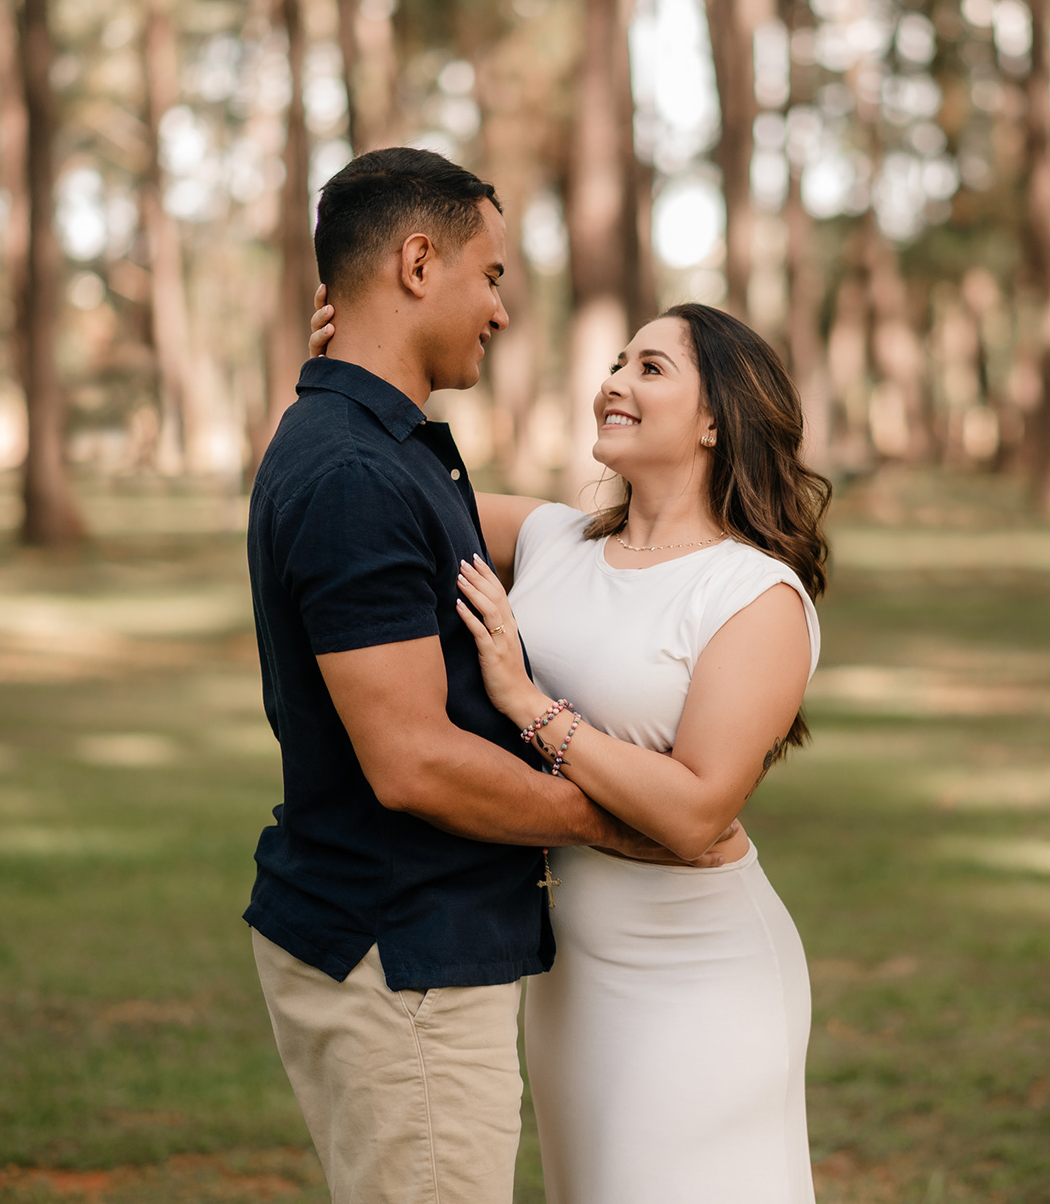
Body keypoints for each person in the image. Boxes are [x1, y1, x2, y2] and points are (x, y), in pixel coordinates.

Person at [245, 147, 713, 1204]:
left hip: (399, 942)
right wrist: (618, 822)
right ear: (419, 264)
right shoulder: (357, 469)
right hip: (401, 957)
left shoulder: (376, 444)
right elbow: (412, 761)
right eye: (490, 275)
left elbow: (565, 537)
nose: (500, 309)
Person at [309, 283, 830, 1203]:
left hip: (698, 972)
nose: (613, 382)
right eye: (618, 362)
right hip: (568, 972)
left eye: (651, 367)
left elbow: (696, 809)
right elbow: (376, 489)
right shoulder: (553, 538)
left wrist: (528, 704)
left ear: (716, 421)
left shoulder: (753, 593)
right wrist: (346, 371)